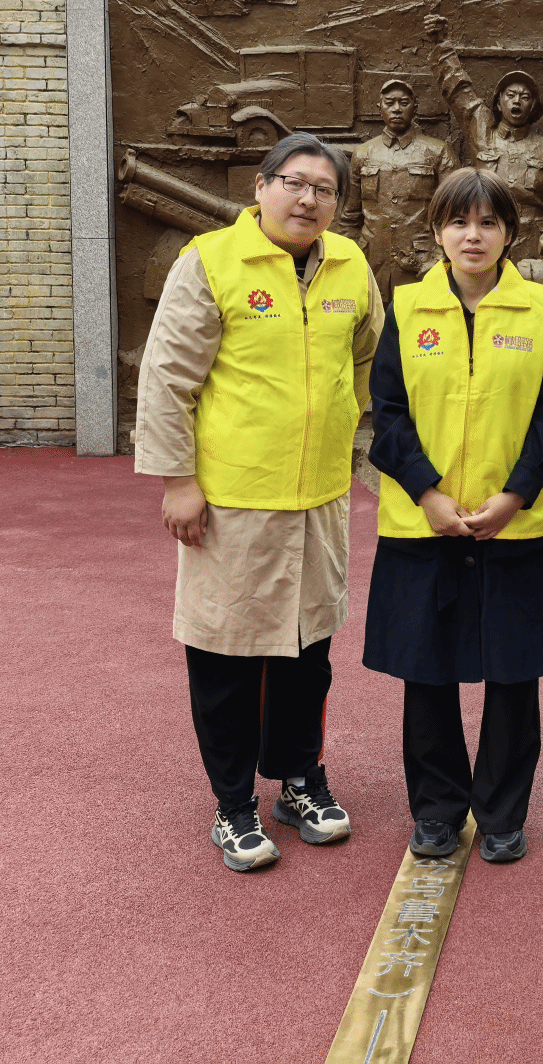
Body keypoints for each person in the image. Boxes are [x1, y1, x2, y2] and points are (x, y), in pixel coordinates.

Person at [136, 131, 382, 873]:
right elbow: (168, 378)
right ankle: (233, 803)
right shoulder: (210, 262)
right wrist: (178, 481)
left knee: (310, 654)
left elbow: (366, 357)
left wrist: (348, 432)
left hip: (318, 500)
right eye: (294, 183)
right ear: (261, 187)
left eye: (324, 189)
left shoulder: (351, 265)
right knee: (227, 659)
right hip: (233, 503)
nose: (308, 200)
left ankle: (300, 780)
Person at [363, 168, 543, 865]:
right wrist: (427, 492)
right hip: (424, 524)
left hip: (513, 523)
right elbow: (388, 413)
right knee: (427, 672)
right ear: (437, 231)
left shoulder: (540, 309)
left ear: (511, 233)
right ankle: (436, 810)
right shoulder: (409, 307)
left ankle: (504, 812)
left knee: (514, 671)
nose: (472, 235)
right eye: (458, 221)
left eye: (488, 222)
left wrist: (515, 495)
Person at [428, 14, 543, 255]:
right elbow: (459, 91)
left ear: (533, 106)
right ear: (498, 102)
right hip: (487, 239)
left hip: (536, 249)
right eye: (510, 95)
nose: (517, 101)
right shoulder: (483, 134)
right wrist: (441, 45)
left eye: (525, 97)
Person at [338, 78, 453, 297]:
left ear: (415, 108)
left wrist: (440, 258)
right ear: (379, 108)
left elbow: (455, 214)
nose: (397, 109)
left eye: (404, 103)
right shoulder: (362, 154)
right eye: (389, 103)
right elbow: (349, 219)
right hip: (372, 264)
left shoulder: (438, 151)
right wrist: (354, 258)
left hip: (422, 265)